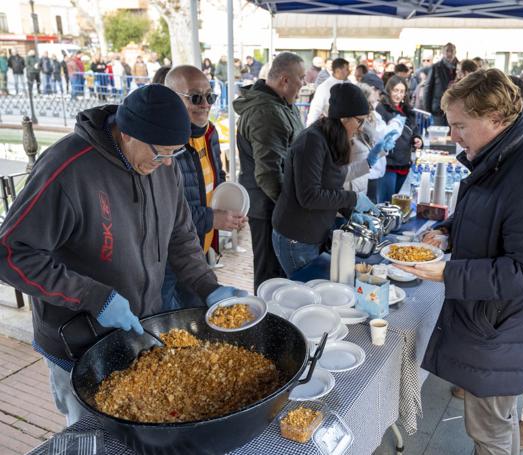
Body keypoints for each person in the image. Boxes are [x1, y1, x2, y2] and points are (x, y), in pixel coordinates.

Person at [0, 84, 242, 425]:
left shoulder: (162, 164)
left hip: (138, 332)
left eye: (175, 153)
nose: (167, 163)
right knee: (90, 433)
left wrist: (207, 285)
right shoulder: (67, 168)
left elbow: (179, 234)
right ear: (127, 134)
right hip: (77, 342)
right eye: (161, 153)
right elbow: (10, 254)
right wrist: (94, 296)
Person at [407, 69, 523, 455]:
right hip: (497, 324)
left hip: (504, 328)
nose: (453, 136)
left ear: (496, 119)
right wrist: (448, 231)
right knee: (491, 424)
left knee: (491, 432)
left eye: (460, 125)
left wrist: (448, 271)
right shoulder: (502, 154)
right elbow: (492, 216)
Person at [272, 83, 379, 276]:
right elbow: (310, 196)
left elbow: (332, 184)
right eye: (359, 121)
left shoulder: (333, 140)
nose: (361, 128)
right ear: (344, 117)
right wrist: (353, 198)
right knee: (308, 298)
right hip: (296, 238)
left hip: (315, 233)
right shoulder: (312, 141)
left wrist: (350, 212)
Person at [162, 65, 246, 310]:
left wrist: (231, 211)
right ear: (172, 98)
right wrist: (211, 218)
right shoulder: (163, 145)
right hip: (169, 257)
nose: (205, 104)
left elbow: (216, 177)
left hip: (200, 249)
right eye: (196, 97)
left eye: (210, 96)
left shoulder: (209, 132)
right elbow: (167, 211)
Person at [234, 52, 306, 292]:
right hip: (268, 208)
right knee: (269, 277)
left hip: (275, 205)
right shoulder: (267, 112)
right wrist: (290, 210)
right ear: (284, 80)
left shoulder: (282, 104)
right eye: (301, 78)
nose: (303, 84)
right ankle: (266, 326)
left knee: (275, 274)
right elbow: (268, 173)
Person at [375, 75, 420, 202]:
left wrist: (417, 139)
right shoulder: (382, 109)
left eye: (402, 91)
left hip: (404, 163)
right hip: (388, 163)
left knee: (396, 203)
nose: (398, 95)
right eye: (395, 90)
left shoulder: (408, 110)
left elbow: (414, 130)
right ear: (389, 90)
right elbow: (380, 134)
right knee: (386, 203)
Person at [306, 58, 350, 126]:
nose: (348, 72)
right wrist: (309, 128)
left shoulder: (348, 84)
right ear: (338, 71)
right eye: (346, 69)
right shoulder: (324, 87)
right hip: (332, 127)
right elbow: (315, 109)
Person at [423, 42, 458, 125]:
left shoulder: (459, 66)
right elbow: (428, 88)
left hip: (455, 109)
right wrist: (427, 110)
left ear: (455, 52)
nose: (449, 53)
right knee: (438, 135)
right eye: (447, 51)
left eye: (452, 51)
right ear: (442, 52)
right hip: (438, 109)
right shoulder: (435, 67)